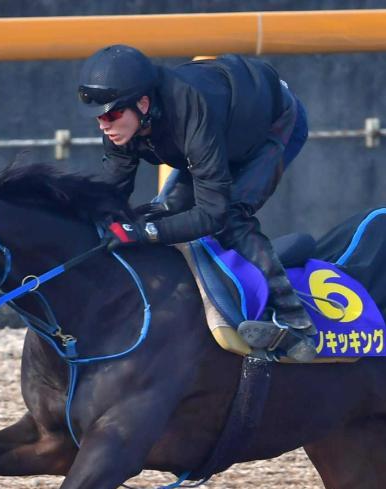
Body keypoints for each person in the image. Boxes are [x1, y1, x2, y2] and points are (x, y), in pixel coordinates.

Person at [77, 44, 316, 361]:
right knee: (162, 212)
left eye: (111, 114)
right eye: (98, 117)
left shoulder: (190, 109)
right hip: (221, 132)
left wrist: (142, 233)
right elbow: (110, 194)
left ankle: (296, 322)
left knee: (231, 216)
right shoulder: (122, 122)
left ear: (143, 103)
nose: (104, 125)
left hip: (273, 126)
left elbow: (212, 214)